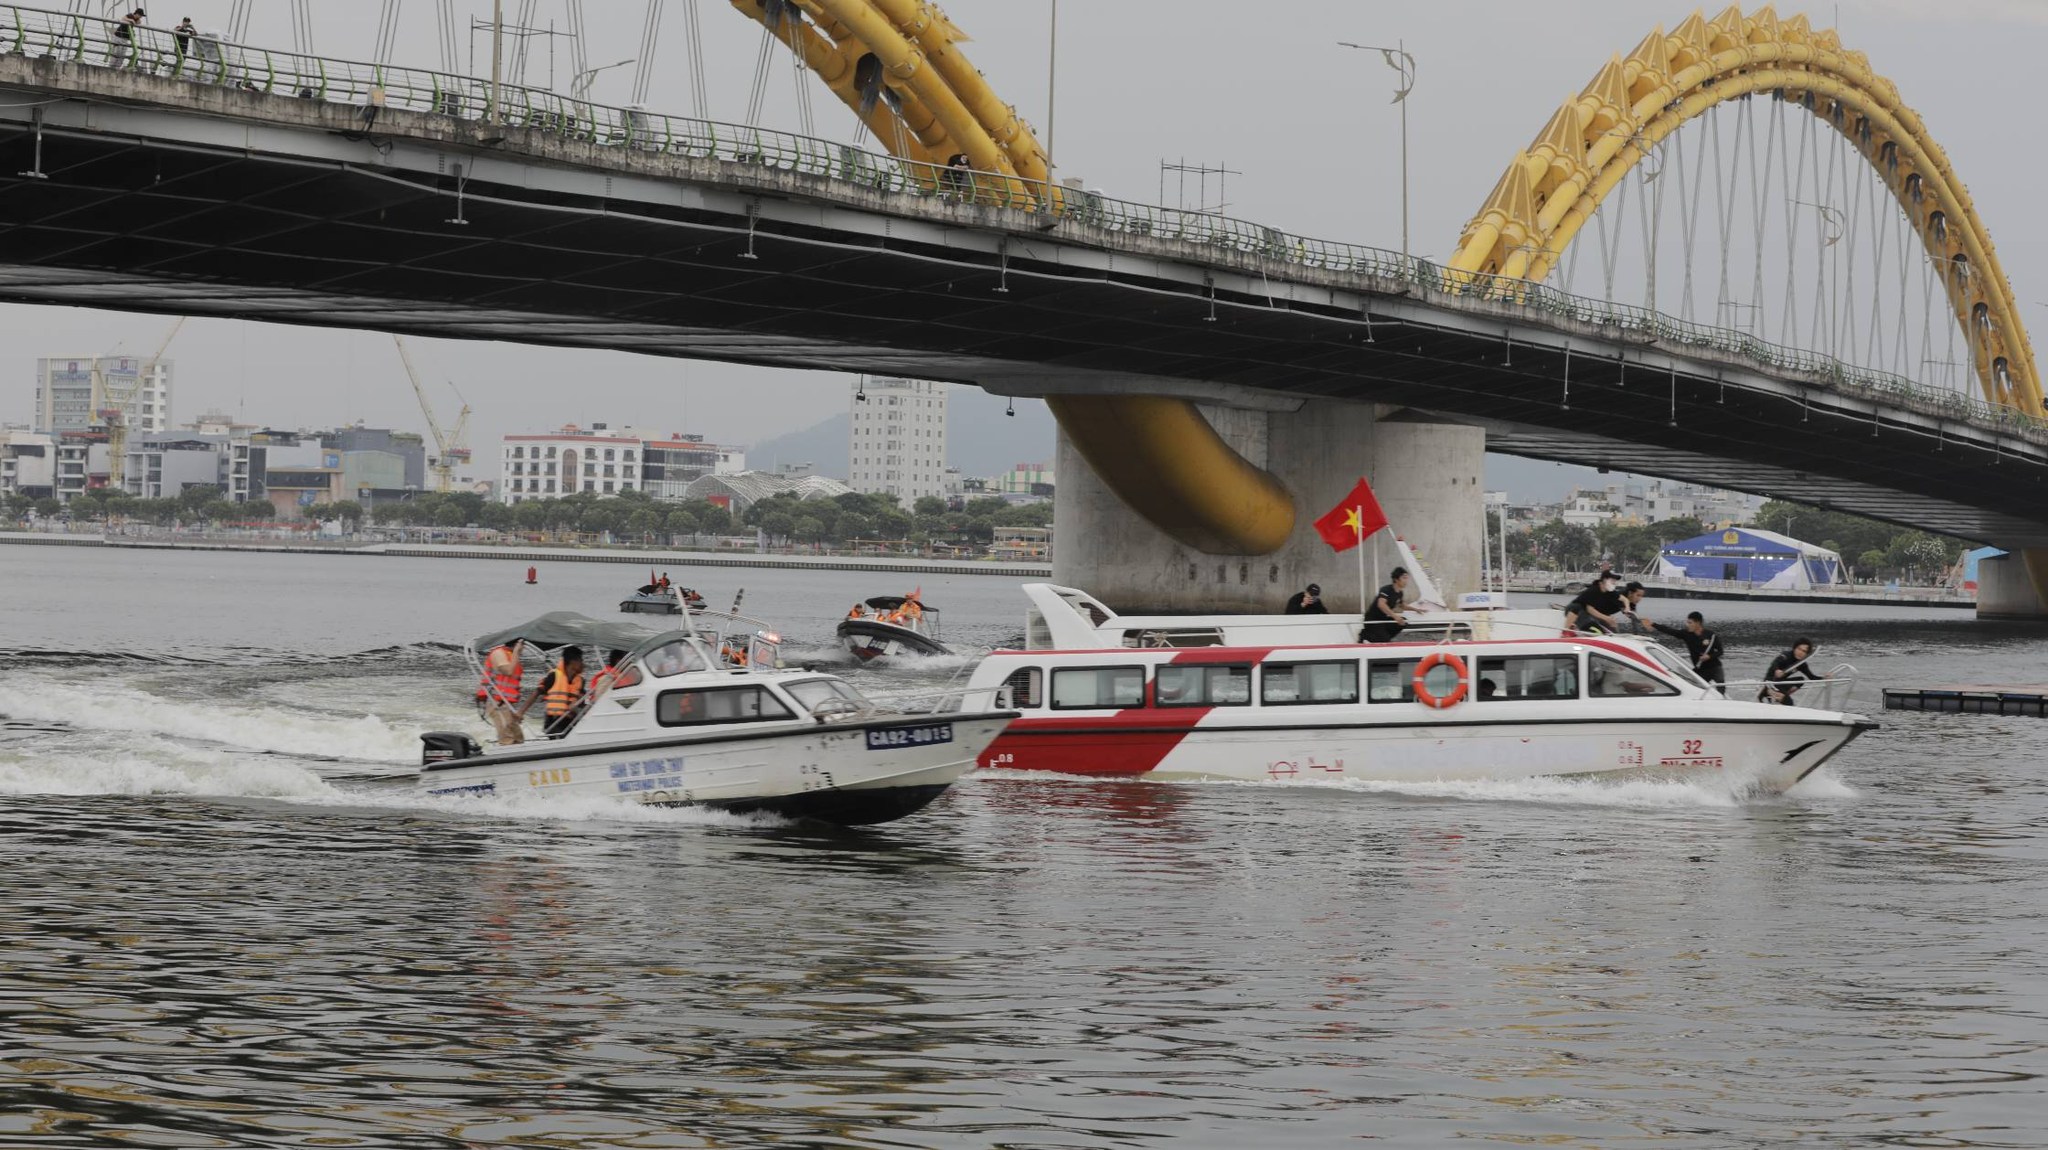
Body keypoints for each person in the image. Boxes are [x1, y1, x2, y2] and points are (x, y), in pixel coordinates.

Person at [1652, 611, 1726, 690]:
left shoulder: (1711, 635)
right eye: (1687, 622)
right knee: (1694, 689)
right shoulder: (1686, 634)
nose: (1687, 625)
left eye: (1690, 623)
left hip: (1715, 667)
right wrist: (1653, 624)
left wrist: (1709, 656)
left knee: (1721, 688)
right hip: (1700, 669)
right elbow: (1670, 631)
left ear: (1698, 623)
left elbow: (1720, 651)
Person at [521, 649, 586, 738]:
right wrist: (520, 713)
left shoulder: (580, 680)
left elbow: (582, 701)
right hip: (553, 722)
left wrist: (577, 703)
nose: (583, 664)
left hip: (571, 722)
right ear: (573, 662)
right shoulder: (554, 676)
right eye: (581, 661)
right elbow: (536, 693)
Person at [474, 635, 526, 745]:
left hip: (506, 703)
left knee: (518, 737)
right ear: (517, 645)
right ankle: (505, 751)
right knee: (507, 738)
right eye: (522, 645)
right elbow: (508, 671)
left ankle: (520, 752)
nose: (523, 649)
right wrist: (516, 652)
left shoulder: (510, 655)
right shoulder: (499, 653)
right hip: (495, 701)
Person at [1760, 638, 1822, 705]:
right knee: (1789, 703)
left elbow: (1812, 677)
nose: (1800, 652)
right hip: (1771, 682)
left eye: (1804, 651)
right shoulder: (1785, 655)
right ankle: (1768, 691)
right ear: (1795, 648)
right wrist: (1777, 670)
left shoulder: (1802, 664)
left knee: (1801, 680)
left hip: (1781, 683)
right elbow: (1775, 663)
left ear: (1806, 654)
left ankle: (1780, 694)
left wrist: (1824, 677)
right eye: (1799, 649)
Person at [1359, 568, 1411, 643]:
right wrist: (1395, 616)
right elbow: (1381, 604)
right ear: (1396, 579)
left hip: (1383, 619)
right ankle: (1365, 635)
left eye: (1407, 578)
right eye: (1404, 578)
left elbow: (1403, 606)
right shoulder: (1386, 589)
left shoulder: (1400, 593)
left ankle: (1383, 637)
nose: (1406, 581)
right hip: (1372, 619)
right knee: (1385, 639)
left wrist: (1417, 609)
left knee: (1403, 622)